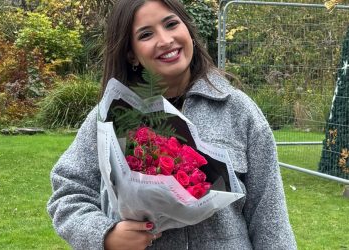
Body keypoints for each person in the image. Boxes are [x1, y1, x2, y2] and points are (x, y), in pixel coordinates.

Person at [47, 0, 297, 249]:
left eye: (171, 24)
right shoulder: (113, 115)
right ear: (131, 53)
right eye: (146, 34)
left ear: (187, 29)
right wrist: (106, 235)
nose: (165, 40)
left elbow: (269, 215)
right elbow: (68, 193)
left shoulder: (237, 110)